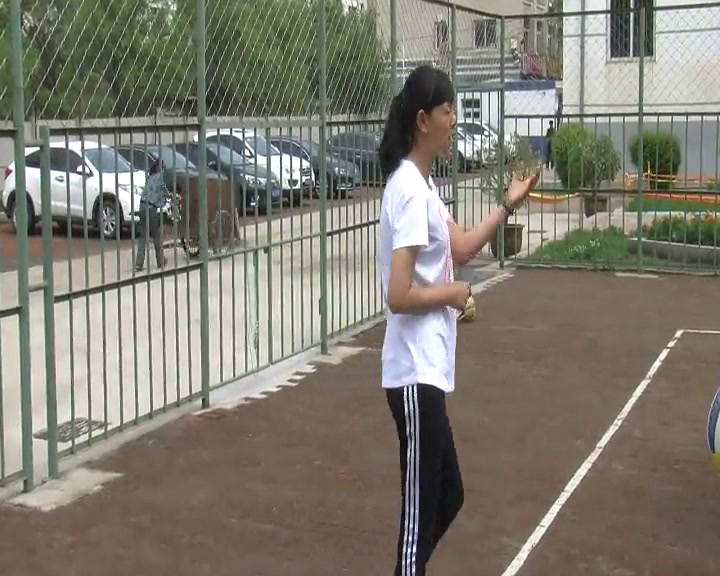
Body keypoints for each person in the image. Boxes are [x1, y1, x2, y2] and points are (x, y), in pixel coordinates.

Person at [376, 65, 538, 576]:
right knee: (419, 517)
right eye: (448, 112)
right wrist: (454, 293)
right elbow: (398, 294)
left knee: (448, 496)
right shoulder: (407, 189)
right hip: (412, 372)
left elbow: (461, 246)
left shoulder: (424, 187)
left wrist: (507, 205)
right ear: (423, 120)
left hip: (428, 371)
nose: (454, 121)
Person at [134, 157, 168, 272]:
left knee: (143, 237)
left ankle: (139, 263)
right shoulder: (161, 179)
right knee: (156, 235)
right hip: (151, 208)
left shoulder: (149, 177)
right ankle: (160, 261)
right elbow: (163, 197)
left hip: (142, 206)